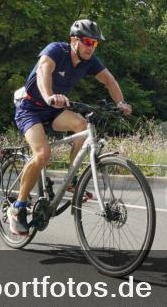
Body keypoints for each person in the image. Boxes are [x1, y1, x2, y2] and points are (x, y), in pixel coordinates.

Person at [8, 19, 131, 235]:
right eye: (87, 42)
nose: (90, 47)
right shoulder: (56, 50)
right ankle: (18, 208)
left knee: (82, 125)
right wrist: (48, 96)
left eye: (95, 44)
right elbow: (44, 70)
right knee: (42, 154)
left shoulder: (89, 61)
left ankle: (71, 180)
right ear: (74, 40)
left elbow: (109, 81)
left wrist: (120, 103)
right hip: (30, 107)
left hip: (55, 109)